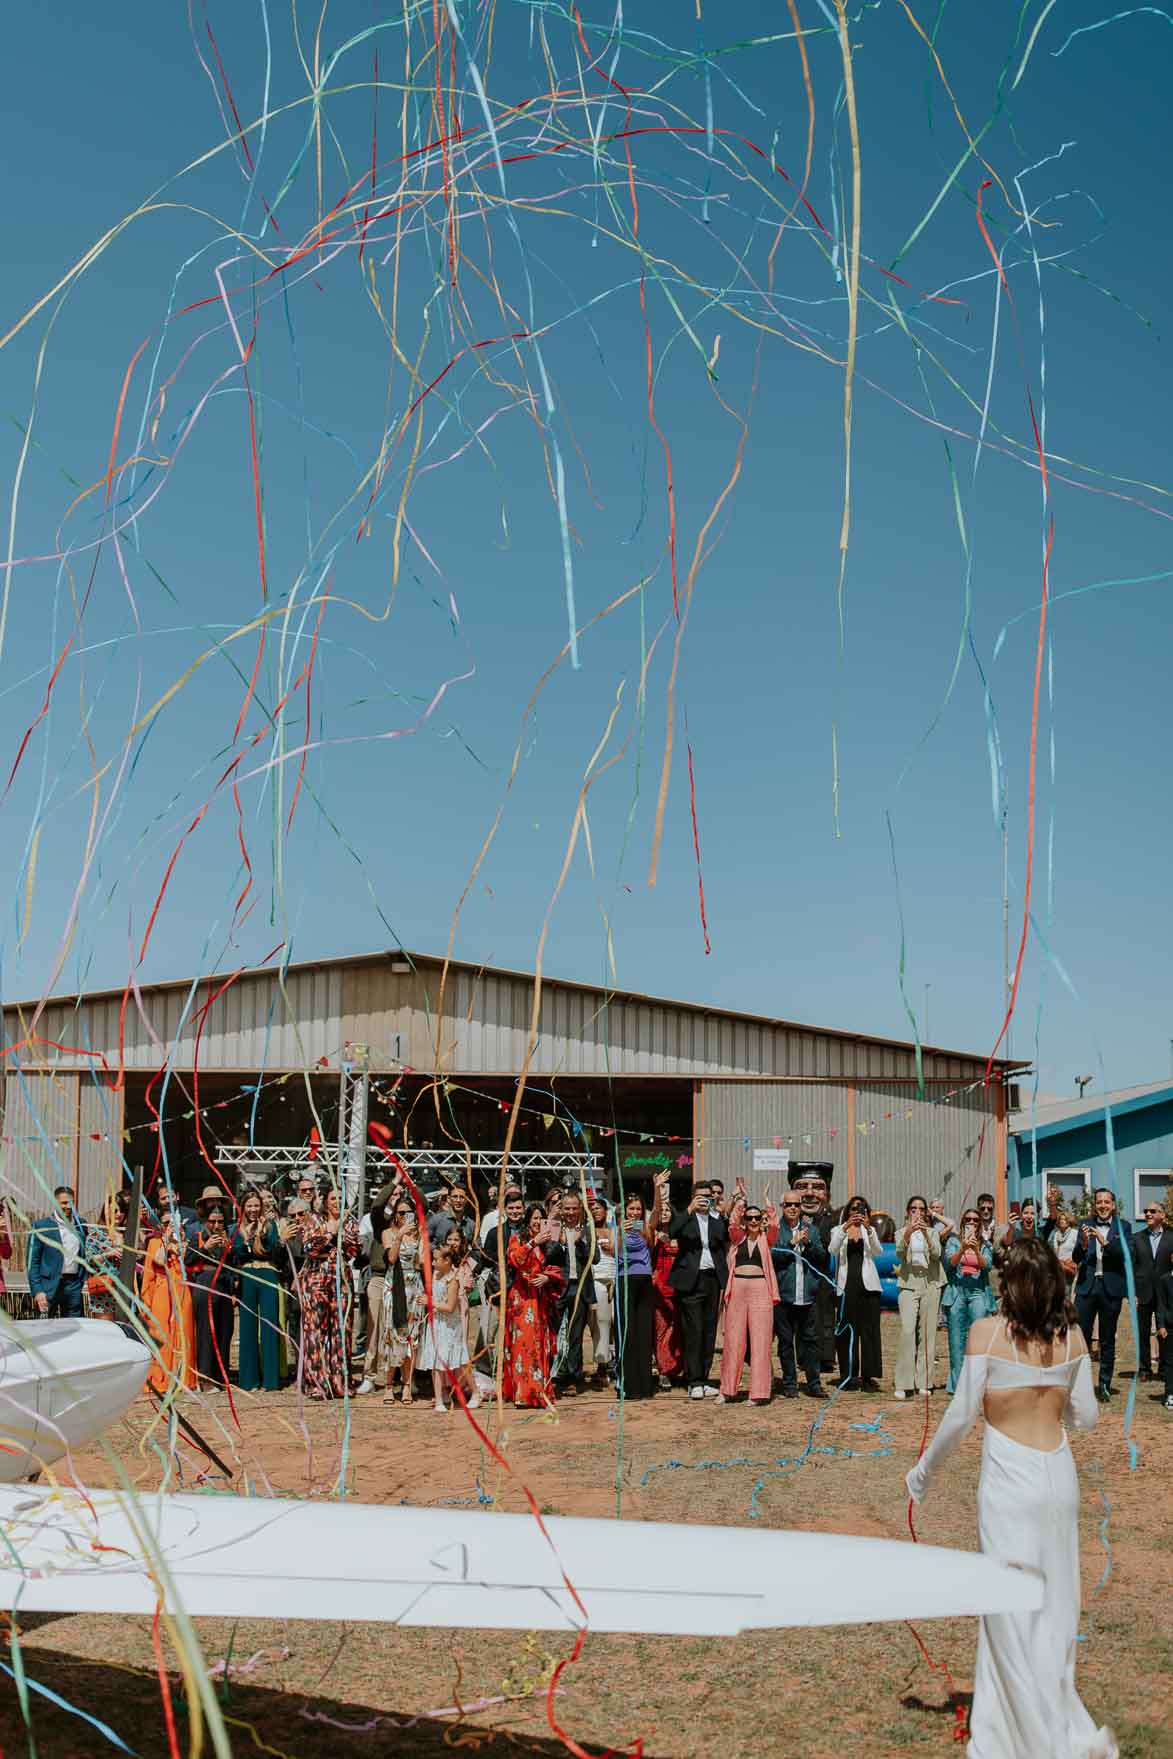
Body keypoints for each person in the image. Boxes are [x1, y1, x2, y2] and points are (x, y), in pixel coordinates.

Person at [907, 1239, 1115, 1759]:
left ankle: (1021, 1734)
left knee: (1006, 1603)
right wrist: (1055, 1401)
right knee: (1056, 1604)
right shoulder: (1071, 1340)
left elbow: (959, 1417)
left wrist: (923, 1474)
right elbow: (1086, 1417)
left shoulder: (988, 1333)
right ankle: (1049, 1709)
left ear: (1010, 1281)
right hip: (1059, 1478)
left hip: (1009, 1482)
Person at [668, 1180, 729, 1399]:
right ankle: (693, 1380)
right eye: (701, 1196)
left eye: (709, 1196)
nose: (706, 1199)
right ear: (694, 1197)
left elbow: (724, 1238)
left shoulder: (715, 1218)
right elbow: (672, 1231)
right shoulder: (685, 1216)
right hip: (690, 1281)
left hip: (712, 1279)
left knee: (709, 1330)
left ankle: (703, 1378)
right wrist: (690, 1209)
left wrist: (719, 1212)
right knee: (694, 1331)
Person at [297, 1190, 359, 1401]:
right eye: (333, 1198)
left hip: (341, 1277)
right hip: (316, 1278)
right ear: (324, 1201)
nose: (337, 1202)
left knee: (342, 1330)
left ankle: (340, 1381)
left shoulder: (349, 1221)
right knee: (316, 1330)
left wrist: (338, 1233)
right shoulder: (314, 1219)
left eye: (341, 1199)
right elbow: (308, 1248)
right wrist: (332, 1234)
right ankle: (317, 1383)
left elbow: (354, 1250)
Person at [1072, 1188, 1132, 1402]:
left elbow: (1125, 1254)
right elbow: (1076, 1256)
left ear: (1113, 1205)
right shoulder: (1084, 1224)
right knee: (1082, 1338)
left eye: (1107, 1202)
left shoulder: (1123, 1227)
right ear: (1094, 1205)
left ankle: (1104, 1384)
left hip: (1111, 1288)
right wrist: (1085, 1244)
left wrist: (1104, 1242)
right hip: (1087, 1288)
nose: (1103, 1205)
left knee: (1107, 1339)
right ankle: (1081, 1384)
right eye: (1099, 1202)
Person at [718, 1196, 780, 1404]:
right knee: (733, 1340)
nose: (753, 1221)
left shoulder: (766, 1239)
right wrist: (741, 1202)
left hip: (761, 1289)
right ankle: (727, 1390)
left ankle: (759, 1393)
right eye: (749, 1218)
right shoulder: (738, 1237)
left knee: (761, 1341)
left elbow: (774, 1225)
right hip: (737, 1288)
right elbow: (732, 1222)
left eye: (757, 1217)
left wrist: (768, 1205)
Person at [502, 1204, 565, 1407]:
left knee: (540, 1344)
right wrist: (532, 1243)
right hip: (521, 1298)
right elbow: (515, 1260)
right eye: (534, 1218)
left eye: (541, 1218)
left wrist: (547, 1277)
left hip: (541, 1300)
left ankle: (538, 1391)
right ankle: (522, 1393)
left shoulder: (551, 1240)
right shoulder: (517, 1239)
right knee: (522, 1344)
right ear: (528, 1220)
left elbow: (558, 1266)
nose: (537, 1222)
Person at [772, 1192, 830, 1399]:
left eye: (797, 1204)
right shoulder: (775, 1229)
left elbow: (822, 1257)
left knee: (811, 1341)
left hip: (807, 1295)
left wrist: (808, 1244)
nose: (793, 1208)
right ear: (782, 1205)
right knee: (786, 1342)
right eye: (789, 1204)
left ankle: (814, 1384)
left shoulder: (812, 1230)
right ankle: (790, 1384)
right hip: (784, 1295)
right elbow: (771, 1256)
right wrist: (790, 1243)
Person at [417, 1239, 480, 1412]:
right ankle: (438, 1400)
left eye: (436, 1259)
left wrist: (430, 1303)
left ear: (447, 1262)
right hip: (436, 1325)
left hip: (450, 1327)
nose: (433, 1262)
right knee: (436, 1362)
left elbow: (450, 1307)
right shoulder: (435, 1276)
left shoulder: (452, 1281)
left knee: (459, 1361)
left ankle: (475, 1392)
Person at [141, 1204, 197, 1395]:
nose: (170, 1226)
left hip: (182, 1289)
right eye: (166, 1223)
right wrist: (167, 1238)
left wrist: (180, 1242)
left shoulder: (185, 1243)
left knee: (184, 1332)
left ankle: (182, 1376)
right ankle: (161, 1376)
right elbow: (158, 1260)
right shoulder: (155, 1242)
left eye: (173, 1223)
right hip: (162, 1290)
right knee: (162, 1332)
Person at [829, 1196, 883, 1391]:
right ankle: (848, 1375)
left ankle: (868, 1377)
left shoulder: (871, 1230)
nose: (857, 1212)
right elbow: (832, 1249)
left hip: (869, 1287)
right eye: (853, 1209)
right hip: (846, 1287)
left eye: (861, 1209)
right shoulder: (838, 1230)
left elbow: (878, 1252)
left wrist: (868, 1229)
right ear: (847, 1211)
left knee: (869, 1333)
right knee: (846, 1332)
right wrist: (845, 1228)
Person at [789, 1164, 838, 1376]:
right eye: (802, 1186)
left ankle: (826, 1357)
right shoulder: (788, 1220)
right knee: (801, 1317)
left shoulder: (834, 1218)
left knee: (826, 1316)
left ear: (827, 1192)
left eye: (817, 1187)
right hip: (797, 1276)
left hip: (824, 1276)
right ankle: (804, 1356)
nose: (809, 1193)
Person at [377, 1198, 427, 1404]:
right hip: (394, 1287)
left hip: (414, 1288)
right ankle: (389, 1385)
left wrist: (420, 1241)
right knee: (391, 1335)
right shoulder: (388, 1233)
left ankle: (407, 1384)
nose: (403, 1216)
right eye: (399, 1212)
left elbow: (422, 1262)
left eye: (407, 1212)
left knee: (411, 1338)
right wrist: (400, 1235)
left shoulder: (420, 1235)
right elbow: (391, 1258)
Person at [940, 1206, 995, 1393]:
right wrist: (963, 1247)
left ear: (980, 1224)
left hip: (977, 1292)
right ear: (963, 1222)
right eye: (968, 1219)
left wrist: (975, 1250)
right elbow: (948, 1263)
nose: (971, 1222)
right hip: (957, 1292)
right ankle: (957, 1385)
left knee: (978, 1339)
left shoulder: (986, 1244)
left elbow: (987, 1266)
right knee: (956, 1339)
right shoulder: (954, 1242)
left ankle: (977, 1383)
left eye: (975, 1220)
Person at [234, 1190, 284, 1392]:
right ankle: (248, 1379)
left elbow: (273, 1250)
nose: (253, 1209)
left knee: (269, 1325)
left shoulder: (270, 1226)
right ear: (243, 1207)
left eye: (256, 1205)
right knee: (247, 1327)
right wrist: (247, 1239)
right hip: (247, 1276)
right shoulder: (237, 1229)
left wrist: (262, 1234)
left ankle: (270, 1380)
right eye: (250, 1205)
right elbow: (236, 1254)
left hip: (268, 1274)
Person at [894, 1195, 942, 1399]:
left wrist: (926, 1234)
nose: (918, 1212)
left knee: (928, 1334)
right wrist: (909, 1233)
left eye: (921, 1209)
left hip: (930, 1284)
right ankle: (904, 1382)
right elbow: (898, 1252)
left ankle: (924, 1381)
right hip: (908, 1284)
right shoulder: (900, 1232)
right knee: (907, 1331)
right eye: (914, 1208)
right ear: (908, 1212)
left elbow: (937, 1254)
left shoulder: (932, 1232)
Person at [550, 1192, 596, 1396]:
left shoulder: (587, 1230)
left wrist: (580, 1243)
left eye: (574, 1208)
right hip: (558, 1287)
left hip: (580, 1289)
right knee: (552, 1333)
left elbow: (595, 1258)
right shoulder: (553, 1227)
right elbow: (547, 1256)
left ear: (580, 1209)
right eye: (566, 1208)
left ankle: (573, 1379)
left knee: (575, 1335)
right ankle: (552, 1375)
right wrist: (561, 1243)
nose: (570, 1212)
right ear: (561, 1209)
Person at [189, 1203, 238, 1388]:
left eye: (220, 1221)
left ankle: (221, 1375)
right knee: (206, 1332)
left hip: (223, 1285)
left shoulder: (227, 1238)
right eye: (212, 1221)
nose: (216, 1225)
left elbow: (233, 1266)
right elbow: (187, 1259)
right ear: (205, 1221)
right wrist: (204, 1248)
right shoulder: (198, 1236)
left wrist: (230, 1251)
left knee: (225, 1331)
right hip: (204, 1283)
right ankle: (205, 1377)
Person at [616, 1190, 657, 1400]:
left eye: (638, 1209)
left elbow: (657, 1212)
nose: (634, 1212)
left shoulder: (646, 1228)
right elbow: (613, 1252)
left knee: (644, 1333)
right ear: (624, 1210)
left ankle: (645, 1385)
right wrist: (620, 1233)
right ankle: (629, 1385)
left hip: (645, 1281)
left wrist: (656, 1189)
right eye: (631, 1208)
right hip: (625, 1280)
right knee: (628, 1333)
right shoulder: (618, 1229)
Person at [356, 1185, 397, 1394]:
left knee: (400, 1330)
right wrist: (395, 1181)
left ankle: (399, 1377)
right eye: (392, 1194)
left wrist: (409, 1183)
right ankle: (369, 1376)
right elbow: (377, 1205)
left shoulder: (409, 1222)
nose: (395, 1197)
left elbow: (423, 1205)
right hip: (379, 1277)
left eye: (398, 1195)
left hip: (402, 1279)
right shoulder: (380, 1222)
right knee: (373, 1328)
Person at [27, 1186, 89, 1318]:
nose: (68, 1206)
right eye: (64, 1203)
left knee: (74, 1326)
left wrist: (81, 1281)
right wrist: (38, 1290)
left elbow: (84, 1253)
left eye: (71, 1202)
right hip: (48, 1286)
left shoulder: (82, 1225)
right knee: (44, 1327)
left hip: (73, 1285)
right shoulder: (41, 1226)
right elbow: (33, 1261)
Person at [1131, 1200, 1173, 1381]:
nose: (1148, 1214)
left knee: (1166, 1331)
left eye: (1152, 1211)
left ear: (1162, 1215)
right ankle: (1144, 1368)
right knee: (1143, 1331)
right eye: (1146, 1211)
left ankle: (1164, 1368)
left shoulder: (1172, 1237)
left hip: (1165, 1294)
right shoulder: (1136, 1237)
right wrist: (1132, 1293)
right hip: (1143, 1292)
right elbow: (1131, 1266)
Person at [650, 1181, 683, 1390]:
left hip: (678, 1288)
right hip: (658, 1288)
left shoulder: (681, 1234)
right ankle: (663, 1371)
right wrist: (658, 1192)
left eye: (666, 1210)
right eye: (660, 1210)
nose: (663, 1213)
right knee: (661, 1330)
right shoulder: (652, 1234)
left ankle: (675, 1367)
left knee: (677, 1330)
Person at [84, 1190, 130, 1320]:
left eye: (122, 1211)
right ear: (106, 1211)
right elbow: (89, 1259)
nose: (118, 1214)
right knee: (106, 1328)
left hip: (125, 1289)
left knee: (123, 1330)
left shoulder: (127, 1233)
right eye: (115, 1210)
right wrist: (109, 1254)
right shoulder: (97, 1233)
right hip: (104, 1289)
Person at [586, 1195, 616, 1383]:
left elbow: (619, 1251)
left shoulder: (614, 1230)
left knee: (615, 1322)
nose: (596, 1211)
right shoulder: (588, 1231)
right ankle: (602, 1363)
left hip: (614, 1277)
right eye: (592, 1208)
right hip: (596, 1278)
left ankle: (616, 1361)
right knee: (601, 1322)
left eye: (599, 1208)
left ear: (606, 1211)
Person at [1154, 1253, 1173, 1410]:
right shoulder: (1165, 1280)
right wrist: (1161, 1325)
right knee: (1169, 1362)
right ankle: (1170, 1394)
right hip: (1170, 1328)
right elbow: (1160, 1305)